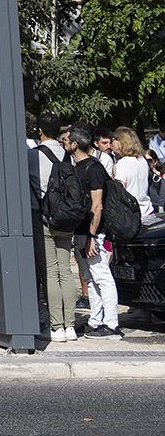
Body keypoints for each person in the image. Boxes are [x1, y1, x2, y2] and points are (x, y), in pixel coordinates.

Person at [28, 115, 79, 341]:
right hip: (66, 219)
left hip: (44, 218)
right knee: (66, 271)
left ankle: (56, 327)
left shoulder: (31, 156)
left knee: (49, 271)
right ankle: (71, 326)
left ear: (39, 131)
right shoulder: (67, 155)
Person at [67, 126, 121, 338]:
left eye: (67, 139)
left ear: (75, 144)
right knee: (90, 278)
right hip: (82, 232)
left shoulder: (93, 168)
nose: (64, 142)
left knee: (102, 277)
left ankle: (111, 324)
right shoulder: (78, 167)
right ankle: (96, 320)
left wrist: (92, 237)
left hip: (93, 233)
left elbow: (97, 206)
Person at [111, 128, 154, 223]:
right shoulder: (142, 160)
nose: (111, 144)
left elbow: (120, 193)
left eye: (113, 140)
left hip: (131, 216)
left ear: (120, 142)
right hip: (147, 210)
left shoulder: (122, 164)